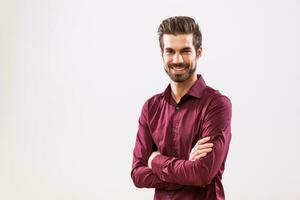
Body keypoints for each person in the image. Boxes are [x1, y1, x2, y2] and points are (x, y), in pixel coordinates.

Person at [131, 16, 232, 200]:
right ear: (162, 53)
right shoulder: (150, 108)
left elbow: (202, 173)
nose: (177, 60)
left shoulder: (217, 105)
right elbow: (137, 174)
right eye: (170, 51)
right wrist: (187, 167)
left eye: (185, 51)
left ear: (198, 52)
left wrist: (155, 160)